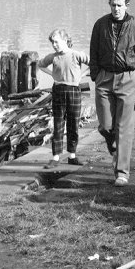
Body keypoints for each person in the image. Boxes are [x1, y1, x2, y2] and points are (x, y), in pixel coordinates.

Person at [89, 0, 135, 186]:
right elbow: (93, 52)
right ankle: (115, 146)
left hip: (128, 78)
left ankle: (122, 173)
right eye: (113, 5)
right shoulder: (100, 25)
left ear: (127, 5)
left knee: (124, 128)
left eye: (119, 5)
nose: (116, 9)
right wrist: (96, 75)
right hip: (105, 79)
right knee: (106, 125)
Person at [38, 29, 90, 169]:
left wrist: (82, 75)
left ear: (65, 40)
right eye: (52, 42)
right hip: (59, 90)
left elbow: (93, 64)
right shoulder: (53, 57)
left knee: (73, 123)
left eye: (57, 41)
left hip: (73, 90)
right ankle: (55, 157)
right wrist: (52, 74)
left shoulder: (76, 55)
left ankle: (72, 155)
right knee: (58, 124)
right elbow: (40, 65)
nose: (54, 45)